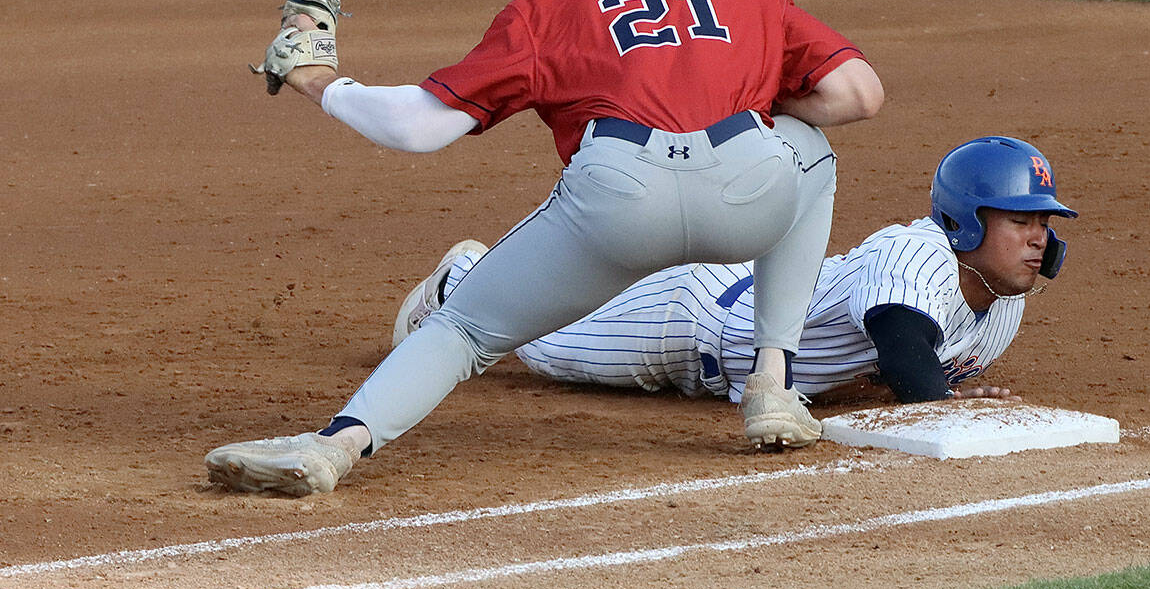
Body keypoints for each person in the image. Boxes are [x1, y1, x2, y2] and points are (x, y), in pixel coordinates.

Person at [206, 0, 884, 496]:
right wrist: (750, 111)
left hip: (620, 204)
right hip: (750, 193)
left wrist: (317, 82)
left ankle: (333, 447)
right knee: (807, 146)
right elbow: (860, 93)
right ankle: (772, 381)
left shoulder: (549, 8)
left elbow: (421, 127)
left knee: (465, 329)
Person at [395, 137, 1076, 409]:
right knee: (536, 339)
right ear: (964, 220)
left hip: (737, 319)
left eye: (1044, 224)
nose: (1038, 239)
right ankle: (464, 278)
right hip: (689, 321)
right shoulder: (916, 254)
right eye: (1022, 221)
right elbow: (907, 357)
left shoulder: (1004, 299)